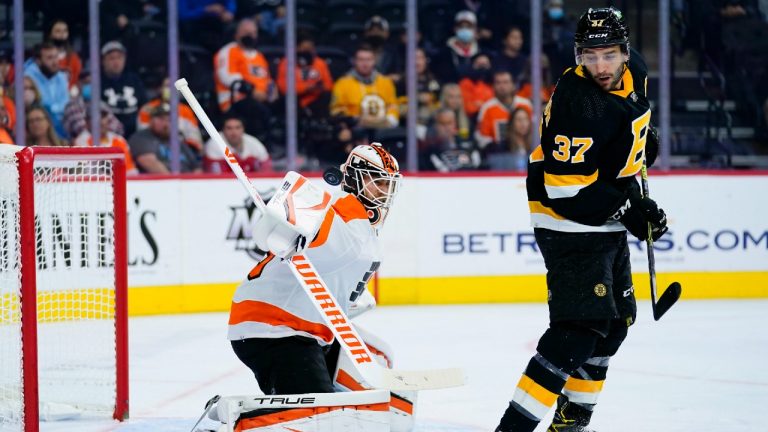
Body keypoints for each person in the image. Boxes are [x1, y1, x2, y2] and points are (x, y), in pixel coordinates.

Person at [496, 7, 669, 431]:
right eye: (589, 56)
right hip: (565, 219)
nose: (600, 66)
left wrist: (645, 142)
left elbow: (629, 127)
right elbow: (566, 190)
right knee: (578, 330)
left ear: (625, 53)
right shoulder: (578, 104)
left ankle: (570, 423)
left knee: (611, 329)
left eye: (608, 54)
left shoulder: (636, 72)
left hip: (602, 210)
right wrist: (630, 208)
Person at [228, 143, 401, 395]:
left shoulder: (365, 229)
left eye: (389, 185)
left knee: (379, 359)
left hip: (311, 332)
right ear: (354, 178)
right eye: (379, 182)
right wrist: (285, 228)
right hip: (272, 329)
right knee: (320, 413)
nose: (385, 192)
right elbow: (270, 234)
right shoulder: (330, 210)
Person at [213, 18, 272, 113]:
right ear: (236, 34)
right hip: (234, 100)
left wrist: (271, 91)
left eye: (253, 33)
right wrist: (252, 91)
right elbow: (227, 77)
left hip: (261, 100)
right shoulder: (228, 51)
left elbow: (267, 78)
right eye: (246, 32)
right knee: (260, 112)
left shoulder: (259, 56)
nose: (250, 36)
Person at [128, 103, 200, 173]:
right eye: (161, 119)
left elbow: (196, 168)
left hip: (188, 182)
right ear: (151, 120)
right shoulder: (141, 137)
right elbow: (149, 162)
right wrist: (174, 182)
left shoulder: (178, 141)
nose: (166, 124)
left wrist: (196, 183)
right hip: (159, 183)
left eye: (169, 120)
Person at [137, 77, 203, 152]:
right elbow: (142, 136)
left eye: (174, 86)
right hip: (154, 149)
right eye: (167, 86)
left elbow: (194, 137)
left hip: (180, 151)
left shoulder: (185, 110)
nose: (171, 89)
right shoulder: (147, 109)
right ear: (160, 88)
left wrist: (186, 148)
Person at [73, 102, 138, 174]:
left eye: (103, 116)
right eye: (95, 117)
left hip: (118, 183)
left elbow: (131, 171)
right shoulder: (81, 141)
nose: (100, 121)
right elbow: (84, 173)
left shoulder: (119, 140)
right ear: (86, 121)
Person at [475, 70, 533, 149]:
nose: (502, 86)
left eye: (505, 82)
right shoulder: (487, 108)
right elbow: (482, 137)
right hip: (499, 153)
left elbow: (535, 130)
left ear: (513, 85)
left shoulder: (526, 105)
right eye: (498, 83)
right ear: (493, 86)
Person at [23, 42, 70, 138]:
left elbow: (66, 103)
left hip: (61, 124)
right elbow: (40, 104)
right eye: (50, 58)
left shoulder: (61, 76)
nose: (55, 61)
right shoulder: (28, 77)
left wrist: (54, 108)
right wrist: (55, 109)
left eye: (56, 57)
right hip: (40, 123)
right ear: (38, 61)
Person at [101, 40, 146, 139]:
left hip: (135, 133)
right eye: (111, 58)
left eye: (119, 58)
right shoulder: (98, 82)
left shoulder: (134, 80)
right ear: (103, 61)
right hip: (108, 133)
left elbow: (144, 106)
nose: (116, 62)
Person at [203, 114, 271, 173]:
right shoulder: (214, 144)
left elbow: (267, 170)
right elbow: (216, 176)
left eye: (237, 128)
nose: (234, 132)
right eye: (229, 128)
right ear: (223, 130)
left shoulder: (254, 144)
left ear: (243, 129)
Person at [46, 19, 82, 89]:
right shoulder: (43, 57)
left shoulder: (74, 58)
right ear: (50, 34)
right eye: (58, 31)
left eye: (65, 31)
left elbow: (76, 80)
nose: (62, 34)